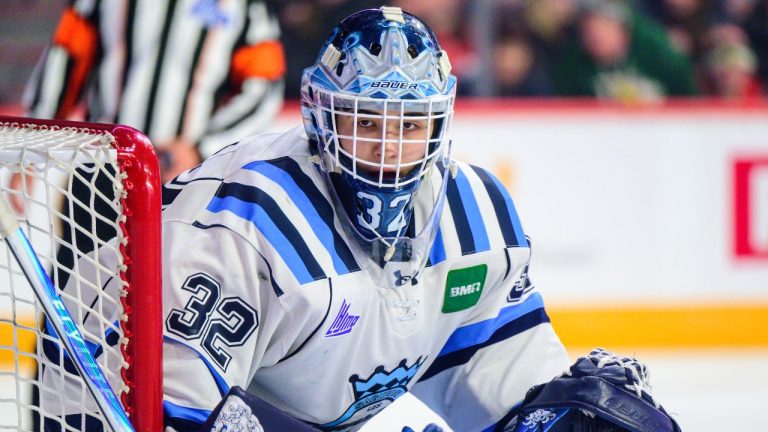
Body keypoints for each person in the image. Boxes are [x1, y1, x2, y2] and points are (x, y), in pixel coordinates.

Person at [158, 6, 679, 432]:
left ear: (440, 122)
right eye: (364, 120)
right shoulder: (241, 218)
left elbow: (498, 386)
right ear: (320, 116)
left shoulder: (475, 214)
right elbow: (172, 409)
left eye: (410, 123)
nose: (388, 149)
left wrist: (550, 420)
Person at [554, 0, 699, 104]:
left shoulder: (657, 51)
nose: (593, 35)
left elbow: (688, 96)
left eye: (603, 25)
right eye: (587, 28)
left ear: (622, 29)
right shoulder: (575, 60)